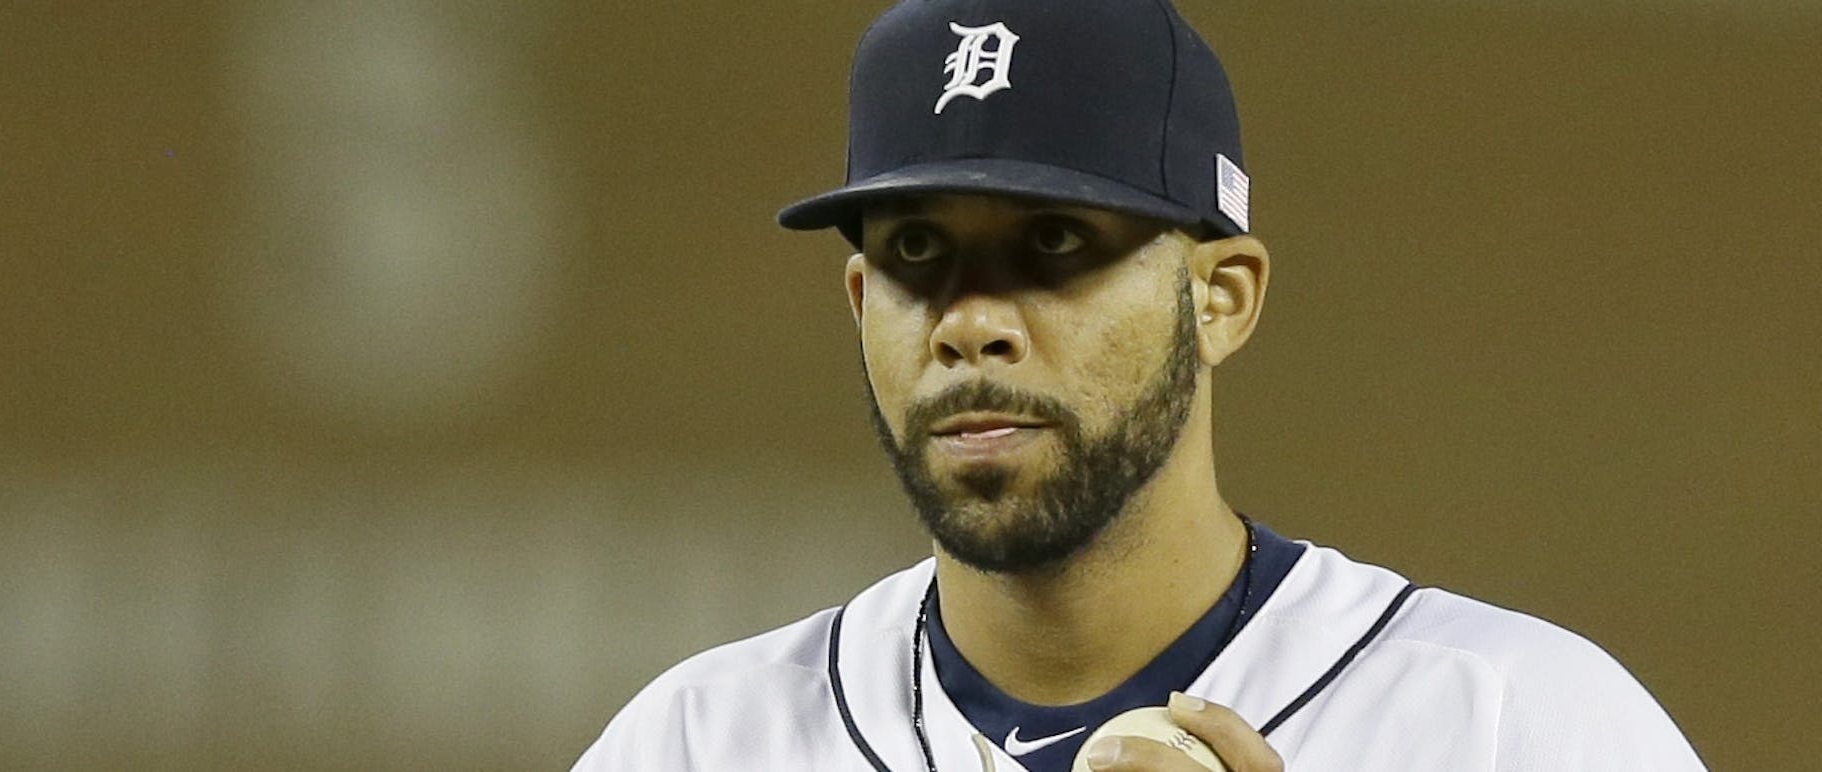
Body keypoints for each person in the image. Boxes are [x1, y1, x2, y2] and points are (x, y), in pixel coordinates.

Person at [574, 1, 1705, 769]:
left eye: (1056, 242)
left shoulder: (1507, 725)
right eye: (919, 255)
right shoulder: (701, 741)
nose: (971, 321)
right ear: (864, 306)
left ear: (1221, 297)